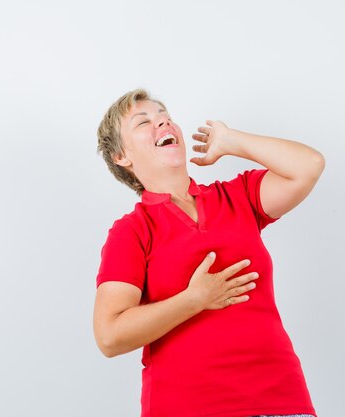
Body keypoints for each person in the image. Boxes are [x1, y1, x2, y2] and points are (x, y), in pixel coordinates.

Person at [93, 88, 325, 417]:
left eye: (166, 117)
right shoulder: (131, 231)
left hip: (282, 399)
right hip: (188, 407)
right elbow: (110, 336)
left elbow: (309, 166)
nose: (163, 123)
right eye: (144, 122)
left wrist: (232, 141)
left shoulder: (237, 197)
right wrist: (195, 299)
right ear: (121, 156)